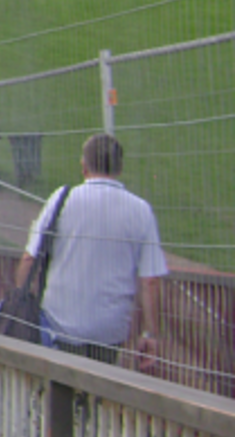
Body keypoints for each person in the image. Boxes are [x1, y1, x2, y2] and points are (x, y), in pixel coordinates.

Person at [12, 133, 165, 367]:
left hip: (60, 323)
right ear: (120, 167)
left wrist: (20, 301)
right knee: (100, 386)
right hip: (109, 329)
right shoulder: (141, 210)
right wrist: (150, 333)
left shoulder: (62, 200)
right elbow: (150, 281)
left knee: (59, 389)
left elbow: (29, 258)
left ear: (84, 167)